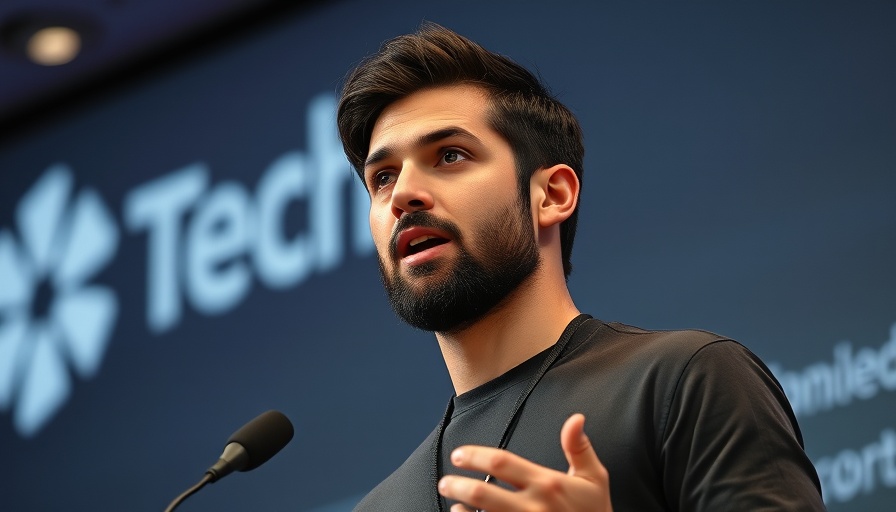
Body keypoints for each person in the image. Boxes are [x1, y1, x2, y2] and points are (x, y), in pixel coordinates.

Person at [336, 22, 825, 512]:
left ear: (552, 194)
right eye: (382, 178)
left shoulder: (685, 381)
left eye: (449, 155)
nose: (403, 195)